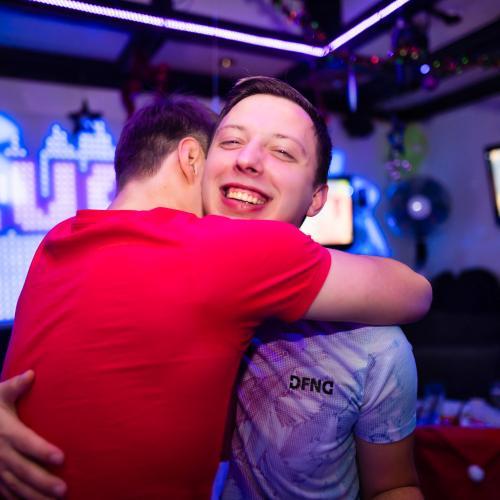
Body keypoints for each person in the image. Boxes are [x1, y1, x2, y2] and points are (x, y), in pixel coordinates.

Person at [0, 83, 430, 499]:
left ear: (318, 198)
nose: (247, 160)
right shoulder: (215, 255)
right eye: (230, 142)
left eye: (282, 151)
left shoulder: (59, 237)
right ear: (196, 161)